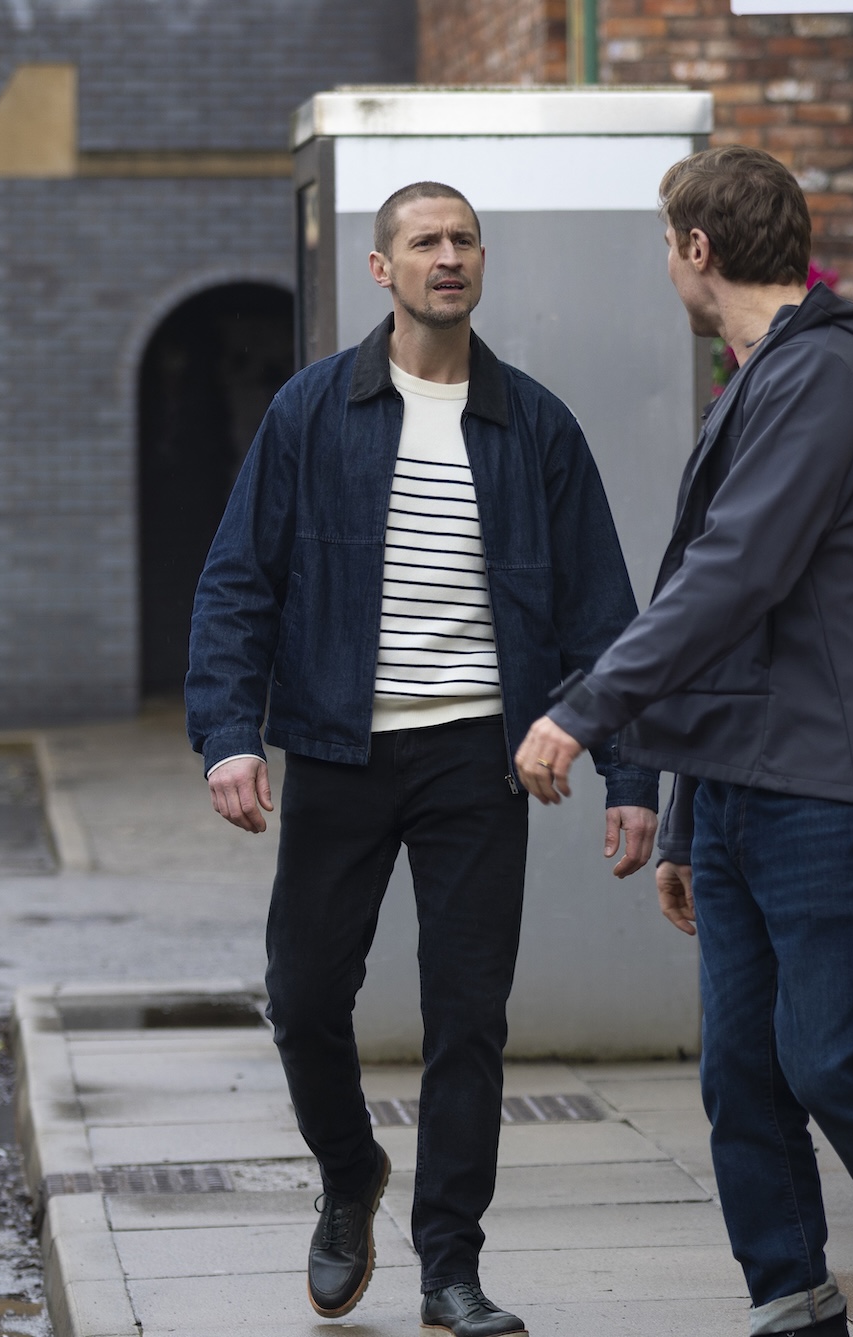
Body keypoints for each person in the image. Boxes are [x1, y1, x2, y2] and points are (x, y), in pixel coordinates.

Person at [513, 145, 853, 1337]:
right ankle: (793, 1309)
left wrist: (580, 709)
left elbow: (732, 578)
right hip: (749, 784)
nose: (667, 263)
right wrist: (689, 816)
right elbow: (737, 617)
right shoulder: (765, 379)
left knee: (831, 1056)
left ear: (697, 248)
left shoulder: (827, 378)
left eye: (667, 243)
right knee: (742, 1073)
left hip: (834, 783)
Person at [187, 180, 659, 1337]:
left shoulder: (536, 425)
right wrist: (228, 733)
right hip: (339, 749)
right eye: (425, 241)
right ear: (381, 268)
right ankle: (350, 1170)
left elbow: (604, 615)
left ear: (481, 262)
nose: (448, 256)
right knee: (304, 996)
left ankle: (450, 1263)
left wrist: (630, 774)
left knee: (467, 1017)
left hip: (478, 759)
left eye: (464, 240)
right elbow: (239, 581)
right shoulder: (312, 410)